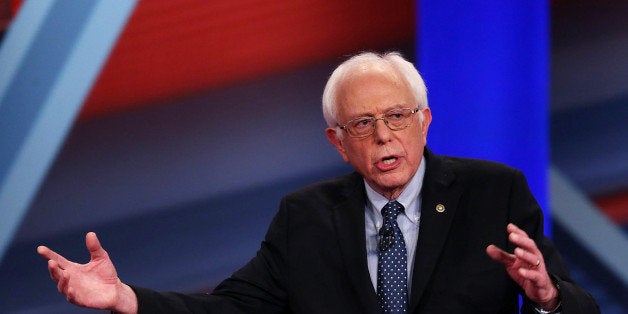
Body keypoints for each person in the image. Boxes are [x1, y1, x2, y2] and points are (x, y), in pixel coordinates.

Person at [38, 52, 599, 313]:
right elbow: (233, 309)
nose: (383, 136)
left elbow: (581, 308)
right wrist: (124, 298)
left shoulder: (493, 192)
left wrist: (548, 301)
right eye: (363, 124)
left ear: (425, 120)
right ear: (338, 141)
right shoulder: (305, 217)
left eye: (398, 117)